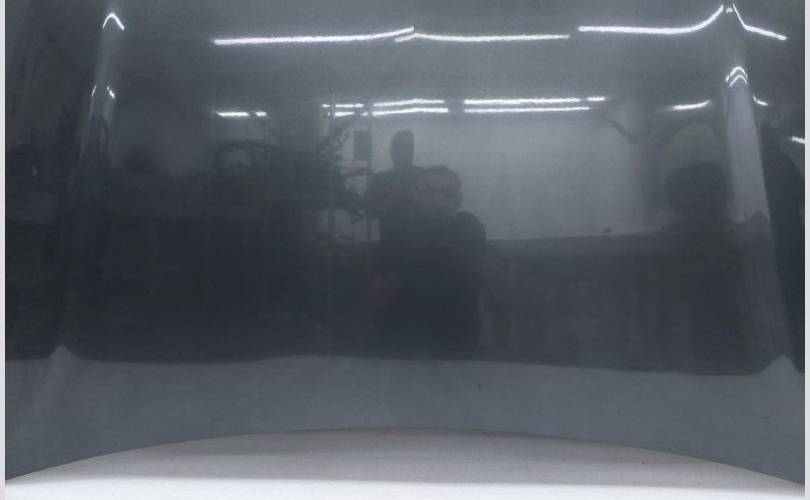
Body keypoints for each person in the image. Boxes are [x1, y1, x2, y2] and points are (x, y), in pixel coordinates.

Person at [369, 166, 495, 356]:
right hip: (402, 342)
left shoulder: (467, 227)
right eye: (429, 193)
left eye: (447, 194)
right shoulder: (398, 228)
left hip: (459, 342)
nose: (437, 201)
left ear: (458, 200)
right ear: (416, 195)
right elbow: (379, 291)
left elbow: (492, 280)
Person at [364, 130, 423, 237]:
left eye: (410, 145)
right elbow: (369, 212)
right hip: (390, 241)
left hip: (422, 241)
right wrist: (391, 201)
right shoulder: (380, 179)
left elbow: (438, 209)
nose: (407, 150)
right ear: (392, 151)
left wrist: (417, 198)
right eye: (401, 146)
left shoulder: (424, 176)